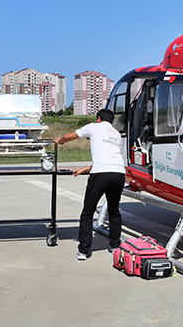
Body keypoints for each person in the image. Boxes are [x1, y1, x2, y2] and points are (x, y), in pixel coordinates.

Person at [54, 108, 125, 260]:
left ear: (99, 118)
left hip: (100, 175)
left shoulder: (94, 127)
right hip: (119, 173)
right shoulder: (116, 134)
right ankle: (115, 246)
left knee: (87, 213)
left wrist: (59, 141)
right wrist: (85, 169)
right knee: (114, 210)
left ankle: (84, 250)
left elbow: (68, 136)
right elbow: (109, 159)